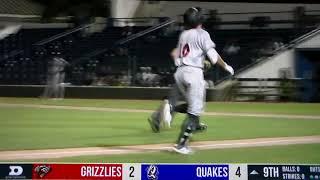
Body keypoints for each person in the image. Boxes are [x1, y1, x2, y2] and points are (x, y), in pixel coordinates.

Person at [148, 7, 234, 154]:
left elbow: (180, 54)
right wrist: (226, 66)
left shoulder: (183, 34)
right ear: (200, 19)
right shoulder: (203, 34)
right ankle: (181, 145)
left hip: (180, 72)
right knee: (194, 112)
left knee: (193, 105)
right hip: (193, 74)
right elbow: (213, 56)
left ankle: (172, 109)